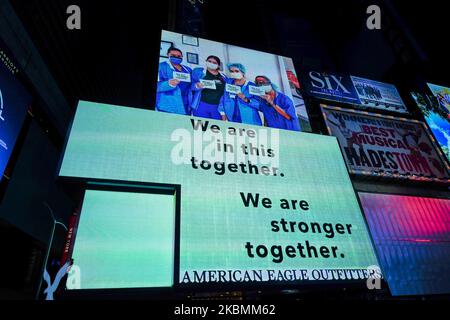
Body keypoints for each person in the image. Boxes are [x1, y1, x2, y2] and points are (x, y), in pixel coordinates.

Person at [156, 47, 192, 115]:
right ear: (168, 55)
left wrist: (197, 85)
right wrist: (168, 84)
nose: (176, 57)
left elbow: (192, 85)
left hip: (186, 103)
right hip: (168, 105)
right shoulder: (161, 67)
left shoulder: (188, 69)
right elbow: (157, 87)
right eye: (173, 56)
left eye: (179, 56)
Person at [190, 55, 227, 120]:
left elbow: (225, 93)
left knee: (215, 128)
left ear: (218, 65)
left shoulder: (223, 77)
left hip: (217, 107)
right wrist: (197, 86)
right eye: (209, 61)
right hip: (201, 105)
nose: (211, 63)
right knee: (201, 126)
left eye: (214, 63)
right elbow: (191, 87)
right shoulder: (199, 72)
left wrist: (223, 111)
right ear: (206, 62)